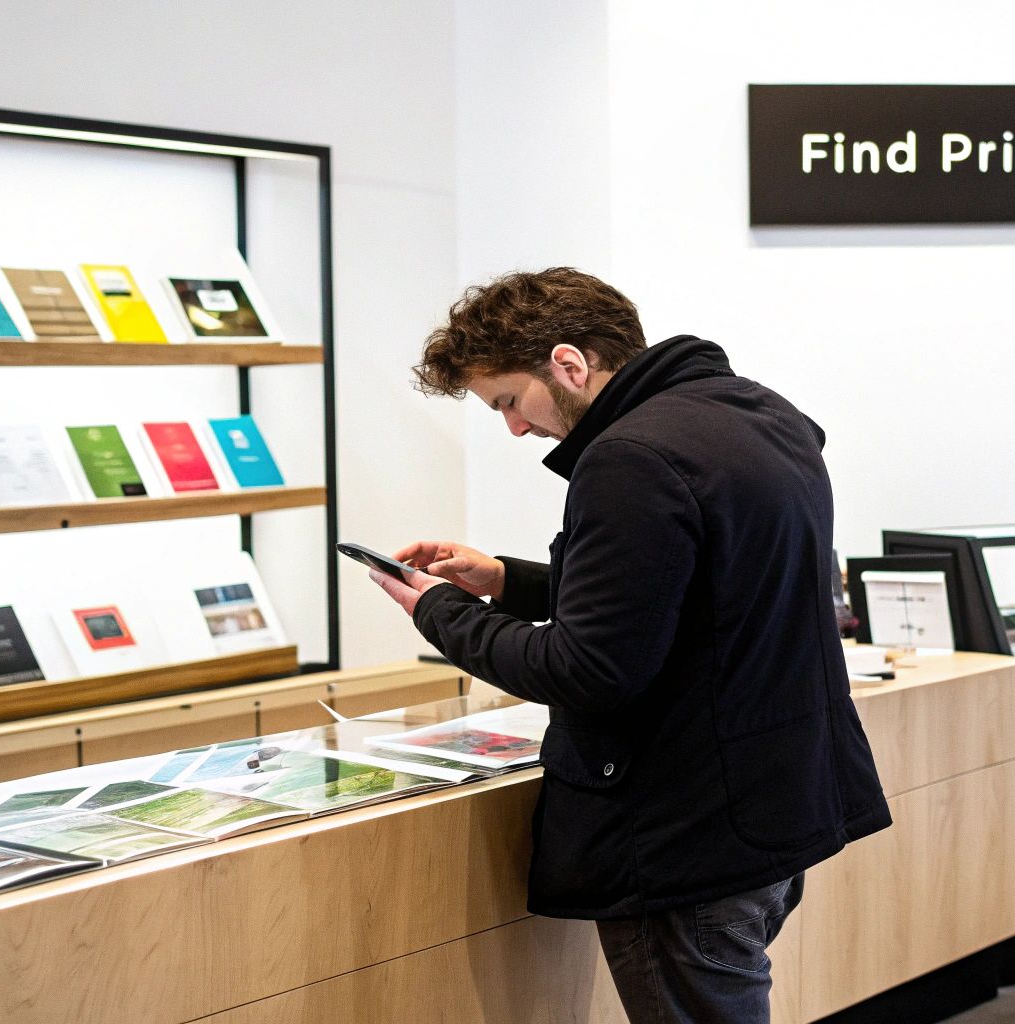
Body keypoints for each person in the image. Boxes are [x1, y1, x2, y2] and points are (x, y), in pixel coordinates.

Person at [367, 268, 890, 1023]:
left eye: (510, 401)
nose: (514, 429)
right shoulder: (761, 415)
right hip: (774, 805)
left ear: (569, 364)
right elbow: (686, 595)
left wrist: (441, 612)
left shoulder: (628, 458)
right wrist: (503, 580)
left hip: (686, 837)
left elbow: (589, 668)